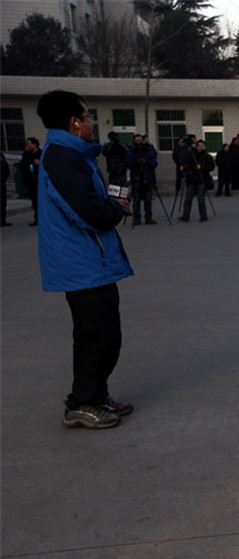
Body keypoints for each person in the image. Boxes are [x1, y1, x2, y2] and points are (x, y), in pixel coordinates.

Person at [36, 90, 134, 429]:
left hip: (93, 262)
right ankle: (81, 403)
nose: (93, 122)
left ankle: (97, 394)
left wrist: (107, 207)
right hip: (80, 264)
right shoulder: (62, 158)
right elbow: (89, 213)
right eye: (88, 116)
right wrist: (114, 209)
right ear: (74, 123)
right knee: (94, 335)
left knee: (107, 334)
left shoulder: (73, 154)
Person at [124, 134, 158, 225]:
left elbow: (154, 163)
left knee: (148, 200)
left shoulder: (148, 150)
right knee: (136, 200)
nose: (139, 142)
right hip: (136, 178)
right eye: (137, 141)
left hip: (147, 178)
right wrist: (136, 161)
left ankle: (148, 217)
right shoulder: (131, 151)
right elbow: (127, 163)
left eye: (140, 140)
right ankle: (136, 218)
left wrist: (146, 161)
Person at [179, 139, 215, 222]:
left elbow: (211, 167)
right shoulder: (192, 155)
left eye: (202, 146)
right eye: (198, 146)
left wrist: (202, 167)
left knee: (201, 200)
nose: (200, 147)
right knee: (188, 199)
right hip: (192, 180)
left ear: (204, 147)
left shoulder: (207, 156)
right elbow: (187, 164)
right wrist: (183, 167)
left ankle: (203, 216)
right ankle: (185, 216)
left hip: (202, 181)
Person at [20, 136, 42, 225]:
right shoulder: (26, 154)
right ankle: (37, 218)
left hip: (39, 182)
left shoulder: (41, 154)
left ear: (35, 144)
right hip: (31, 182)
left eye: (29, 144)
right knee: (34, 201)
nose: (27, 146)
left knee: (41, 201)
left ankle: (42, 219)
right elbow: (23, 166)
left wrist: (39, 163)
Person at [1, 153, 11, 226]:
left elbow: (5, 167)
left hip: (2, 182)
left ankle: (2, 220)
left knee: (3, 202)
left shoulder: (1, 155)